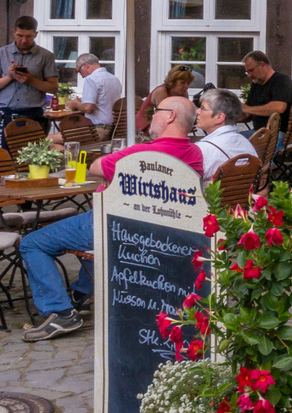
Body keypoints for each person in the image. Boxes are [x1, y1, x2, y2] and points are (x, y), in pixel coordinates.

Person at [19, 97, 204, 342]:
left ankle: (60, 312)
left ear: (170, 116)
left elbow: (96, 166)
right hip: (158, 230)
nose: (150, 117)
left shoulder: (143, 153)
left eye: (155, 111)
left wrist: (111, 178)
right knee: (95, 241)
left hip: (117, 223)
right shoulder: (194, 152)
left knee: (32, 243)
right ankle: (79, 293)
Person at [0, 15, 58, 148]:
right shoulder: (1, 53)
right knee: (4, 155)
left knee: (33, 157)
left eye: (29, 36)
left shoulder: (46, 56)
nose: (24, 40)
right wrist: (10, 77)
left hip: (33, 114)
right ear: (14, 32)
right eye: (20, 35)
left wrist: (30, 80)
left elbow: (53, 88)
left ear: (36, 34)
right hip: (6, 113)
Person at [195, 88, 256, 180]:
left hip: (212, 194)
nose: (197, 111)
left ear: (219, 117)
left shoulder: (203, 149)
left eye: (203, 108)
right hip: (242, 194)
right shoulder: (246, 144)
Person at [63, 53, 119, 140]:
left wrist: (74, 103)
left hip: (97, 130)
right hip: (113, 129)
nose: (81, 76)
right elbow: (104, 99)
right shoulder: (114, 78)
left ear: (85, 65)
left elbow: (88, 108)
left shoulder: (91, 79)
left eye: (79, 71)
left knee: (48, 140)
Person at [241, 51, 292, 132]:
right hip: (259, 132)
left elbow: (279, 108)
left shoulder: (281, 80)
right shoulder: (255, 84)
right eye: (247, 72)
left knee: (234, 143)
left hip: (278, 134)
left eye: (251, 71)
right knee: (230, 140)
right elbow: (248, 113)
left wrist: (248, 109)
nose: (249, 75)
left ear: (262, 65)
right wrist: (229, 118)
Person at [136, 67, 194, 133]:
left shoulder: (183, 92)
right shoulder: (161, 91)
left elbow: (185, 114)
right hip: (144, 129)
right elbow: (166, 115)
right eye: (182, 83)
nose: (186, 86)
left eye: (188, 83)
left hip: (165, 128)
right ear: (172, 81)